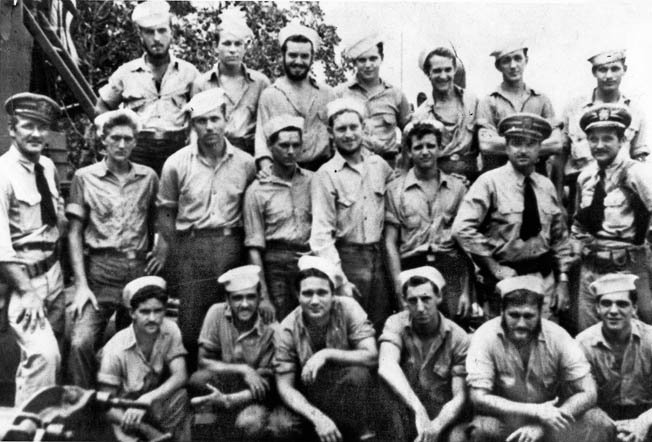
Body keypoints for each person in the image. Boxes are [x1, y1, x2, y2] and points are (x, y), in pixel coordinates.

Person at [154, 88, 256, 369]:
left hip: (231, 246)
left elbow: (251, 211)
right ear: (192, 124)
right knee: (191, 320)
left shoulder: (246, 164)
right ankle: (190, 387)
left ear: (226, 119)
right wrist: (174, 253)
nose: (209, 127)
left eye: (214, 119)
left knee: (234, 315)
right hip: (192, 248)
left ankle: (231, 383)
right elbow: (166, 212)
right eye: (201, 121)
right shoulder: (176, 164)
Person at [66, 109, 160, 389]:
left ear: (135, 143)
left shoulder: (148, 178)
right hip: (100, 273)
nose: (121, 145)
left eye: (128, 139)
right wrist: (81, 285)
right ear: (103, 140)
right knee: (81, 342)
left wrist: (160, 251)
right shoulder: (84, 178)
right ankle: (82, 406)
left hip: (137, 270)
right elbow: (73, 234)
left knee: (135, 344)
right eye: (115, 138)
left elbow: (159, 223)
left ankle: (126, 407)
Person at [466, 275, 614, 442]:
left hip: (555, 418)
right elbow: (478, 397)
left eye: (529, 316)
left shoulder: (558, 336)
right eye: (514, 315)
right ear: (502, 312)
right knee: (482, 429)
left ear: (540, 313)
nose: (521, 324)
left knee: (597, 421)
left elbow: (589, 392)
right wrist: (535, 411)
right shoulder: (485, 336)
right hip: (507, 419)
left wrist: (543, 424)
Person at [453, 113, 574, 319]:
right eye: (517, 143)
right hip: (506, 279)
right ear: (507, 147)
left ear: (539, 149)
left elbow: (560, 239)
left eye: (531, 144)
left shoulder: (547, 186)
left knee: (545, 340)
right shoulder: (489, 183)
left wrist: (562, 280)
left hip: (544, 281)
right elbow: (462, 229)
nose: (523, 150)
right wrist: (495, 269)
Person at [0, 93, 64, 406]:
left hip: (54, 275)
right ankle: (25, 433)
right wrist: (26, 291)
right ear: (12, 130)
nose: (37, 134)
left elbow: (52, 223)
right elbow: (0, 248)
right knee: (43, 356)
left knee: (55, 356)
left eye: (42, 127)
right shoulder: (2, 174)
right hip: (26, 282)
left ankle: (47, 426)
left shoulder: (48, 167)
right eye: (28, 126)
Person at [274, 255, 380, 442]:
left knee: (358, 374)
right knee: (281, 425)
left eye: (322, 293)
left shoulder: (348, 308)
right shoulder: (287, 328)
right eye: (307, 293)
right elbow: (285, 385)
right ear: (297, 296)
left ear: (333, 294)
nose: (315, 301)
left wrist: (326, 354)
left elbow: (371, 356)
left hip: (347, 395)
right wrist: (317, 417)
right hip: (308, 398)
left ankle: (362, 434)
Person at [310, 97, 394, 332]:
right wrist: (341, 281)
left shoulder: (379, 166)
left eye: (353, 127)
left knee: (381, 325)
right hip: (348, 260)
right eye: (341, 129)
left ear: (363, 128)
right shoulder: (326, 174)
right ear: (331, 133)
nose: (348, 135)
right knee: (350, 328)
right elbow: (321, 237)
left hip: (380, 260)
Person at [188, 265, 299, 441]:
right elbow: (203, 360)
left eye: (251, 297)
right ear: (227, 299)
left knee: (251, 423)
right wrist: (244, 370)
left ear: (260, 298)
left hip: (257, 396)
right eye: (237, 298)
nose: (245, 304)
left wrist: (230, 399)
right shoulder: (216, 313)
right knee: (199, 379)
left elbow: (271, 381)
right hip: (229, 383)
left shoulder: (272, 328)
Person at [572, 104, 652, 331]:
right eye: (593, 139)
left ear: (622, 140)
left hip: (626, 268)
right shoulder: (586, 177)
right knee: (588, 337)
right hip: (591, 270)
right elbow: (578, 224)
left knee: (633, 338)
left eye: (607, 138)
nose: (599, 145)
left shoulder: (637, 173)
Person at [96, 1, 198, 175]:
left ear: (171, 33)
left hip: (177, 149)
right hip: (137, 150)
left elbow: (199, 113)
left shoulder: (189, 72)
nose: (156, 38)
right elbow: (102, 106)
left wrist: (193, 142)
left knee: (173, 200)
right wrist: (114, 136)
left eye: (162, 30)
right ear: (140, 35)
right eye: (150, 32)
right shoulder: (126, 72)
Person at [385, 120, 473, 322]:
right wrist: (400, 287)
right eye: (418, 147)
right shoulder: (395, 190)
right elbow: (390, 242)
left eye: (431, 146)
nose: (425, 152)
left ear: (440, 149)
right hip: (412, 267)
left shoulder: (457, 188)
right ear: (409, 151)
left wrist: (467, 291)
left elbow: (466, 242)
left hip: (449, 270)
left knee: (454, 329)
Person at [378, 266, 470, 442]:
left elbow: (460, 396)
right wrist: (418, 409)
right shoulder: (396, 323)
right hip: (407, 407)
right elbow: (386, 365)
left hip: (441, 413)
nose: (420, 308)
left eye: (426, 299)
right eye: (413, 300)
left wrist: (435, 427)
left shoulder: (459, 337)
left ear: (439, 298)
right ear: (404, 301)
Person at [98, 276, 190, 442]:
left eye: (158, 311)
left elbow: (180, 375)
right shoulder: (115, 349)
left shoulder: (170, 329)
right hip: (123, 414)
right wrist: (144, 429)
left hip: (151, 403)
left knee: (180, 396)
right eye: (145, 312)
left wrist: (147, 399)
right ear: (132, 313)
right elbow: (106, 405)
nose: (153, 318)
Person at [562, 49, 649, 218]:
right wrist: (558, 199)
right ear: (594, 72)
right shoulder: (574, 109)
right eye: (602, 69)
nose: (609, 76)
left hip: (619, 195)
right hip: (579, 189)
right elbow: (561, 156)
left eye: (615, 69)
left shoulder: (635, 112)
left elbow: (639, 159)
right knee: (578, 238)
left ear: (624, 70)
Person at [244, 115, 312, 320]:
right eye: (284, 145)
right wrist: (263, 296)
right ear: (270, 147)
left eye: (296, 145)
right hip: (276, 266)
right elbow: (254, 248)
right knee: (280, 325)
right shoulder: (257, 191)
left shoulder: (314, 181)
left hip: (309, 262)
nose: (291, 151)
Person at [577, 273, 652, 442]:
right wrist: (606, 423)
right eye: (606, 304)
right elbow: (577, 394)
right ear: (597, 308)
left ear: (634, 308)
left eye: (622, 304)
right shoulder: (583, 344)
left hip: (646, 412)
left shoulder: (650, 339)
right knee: (592, 422)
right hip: (603, 415)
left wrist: (644, 421)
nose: (613, 311)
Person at [255, 22, 336, 172]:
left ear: (312, 58)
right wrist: (267, 172)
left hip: (322, 172)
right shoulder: (271, 95)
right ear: (283, 56)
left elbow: (338, 138)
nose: (298, 61)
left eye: (304, 56)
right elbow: (262, 141)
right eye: (293, 55)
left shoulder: (328, 94)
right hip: (285, 173)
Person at [476, 41, 563, 179]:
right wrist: (533, 148)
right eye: (506, 61)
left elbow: (557, 143)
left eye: (518, 58)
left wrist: (510, 146)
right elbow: (487, 145)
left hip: (536, 178)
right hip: (500, 180)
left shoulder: (541, 100)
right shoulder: (489, 102)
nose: (513, 66)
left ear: (526, 60)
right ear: (498, 66)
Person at [191, 6, 270, 155]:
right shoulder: (201, 84)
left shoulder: (260, 83)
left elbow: (266, 127)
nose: (233, 49)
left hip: (250, 153)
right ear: (216, 47)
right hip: (213, 152)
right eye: (227, 43)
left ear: (245, 47)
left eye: (238, 44)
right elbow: (195, 127)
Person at [334, 32, 410, 167]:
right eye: (362, 60)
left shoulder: (396, 95)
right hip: (352, 165)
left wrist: (403, 163)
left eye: (373, 59)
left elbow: (410, 132)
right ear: (354, 63)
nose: (368, 65)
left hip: (388, 166)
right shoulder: (341, 94)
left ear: (381, 58)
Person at [412, 46, 479, 182]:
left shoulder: (472, 103)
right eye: (437, 71)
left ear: (454, 70)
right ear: (428, 73)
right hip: (437, 181)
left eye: (448, 70)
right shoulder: (421, 115)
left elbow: (481, 144)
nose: (443, 76)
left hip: (471, 180)